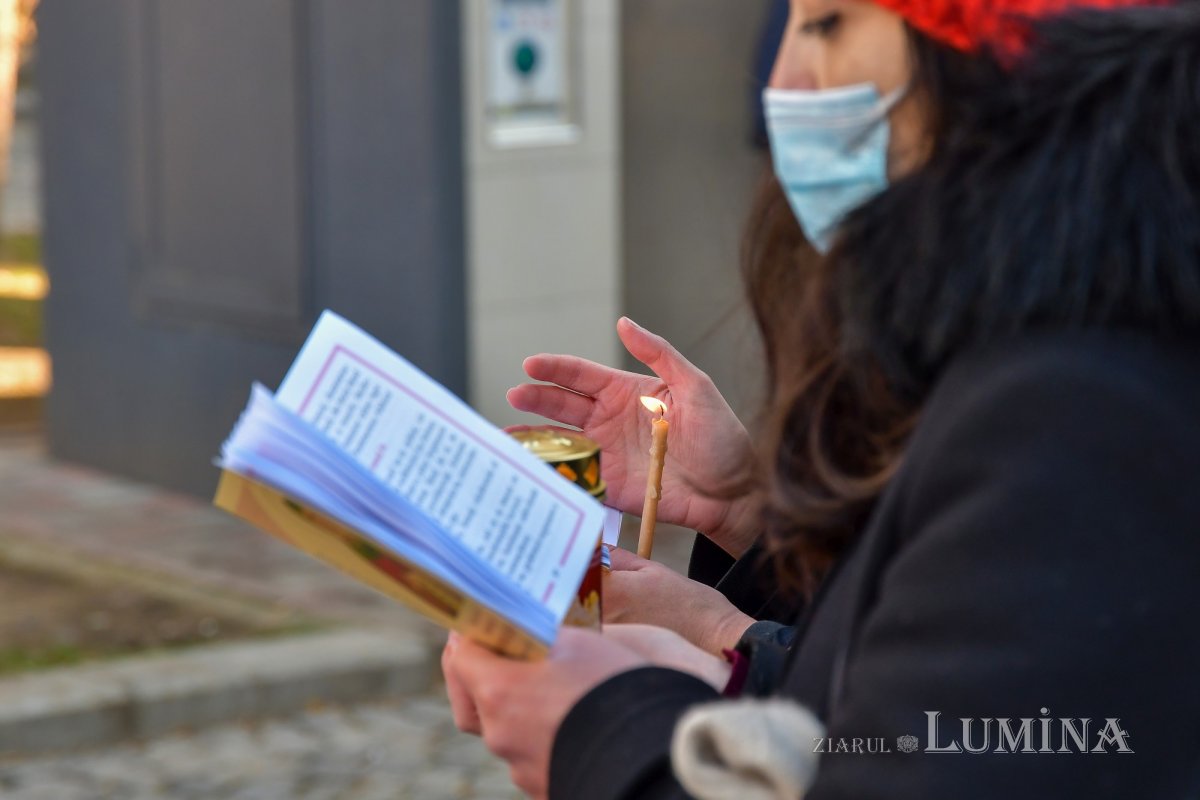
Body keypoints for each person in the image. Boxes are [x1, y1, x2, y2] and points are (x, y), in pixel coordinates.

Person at [443, 0, 1200, 797]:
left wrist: (602, 728)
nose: (783, 83)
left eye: (828, 23)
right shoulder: (1056, 343)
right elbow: (927, 689)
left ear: (1006, 48)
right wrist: (756, 520)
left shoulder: (1076, 412)